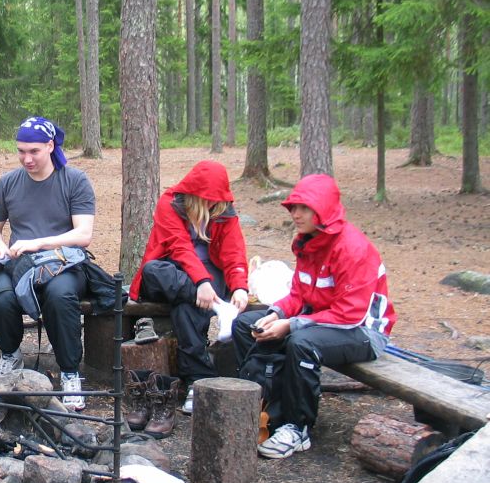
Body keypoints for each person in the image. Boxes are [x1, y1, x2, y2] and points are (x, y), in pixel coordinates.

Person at [232, 173, 396, 460]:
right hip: (323, 319)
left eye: (304, 208)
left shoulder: (353, 249)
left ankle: (298, 428)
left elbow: (350, 313)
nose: (295, 214)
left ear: (324, 210)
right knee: (247, 324)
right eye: (293, 207)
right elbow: (298, 295)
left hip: (364, 331)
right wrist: (275, 313)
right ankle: (265, 407)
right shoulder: (308, 243)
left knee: (301, 343)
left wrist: (290, 324)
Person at [0, 116, 95, 410]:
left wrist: (38, 243)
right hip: (18, 264)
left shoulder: (74, 180)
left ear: (50, 146)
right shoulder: (9, 182)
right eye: (21, 151)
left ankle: (70, 372)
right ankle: (10, 356)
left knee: (59, 297)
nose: (27, 159)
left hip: (64, 263)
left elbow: (83, 235)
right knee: (1, 299)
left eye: (34, 151)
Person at [128, 161, 250, 414]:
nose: (212, 205)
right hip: (172, 269)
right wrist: (201, 284)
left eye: (216, 201)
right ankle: (219, 307)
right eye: (208, 200)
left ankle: (197, 379)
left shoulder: (224, 211)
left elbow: (234, 252)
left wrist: (239, 287)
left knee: (185, 307)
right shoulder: (170, 203)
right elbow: (178, 246)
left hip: (206, 275)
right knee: (153, 270)